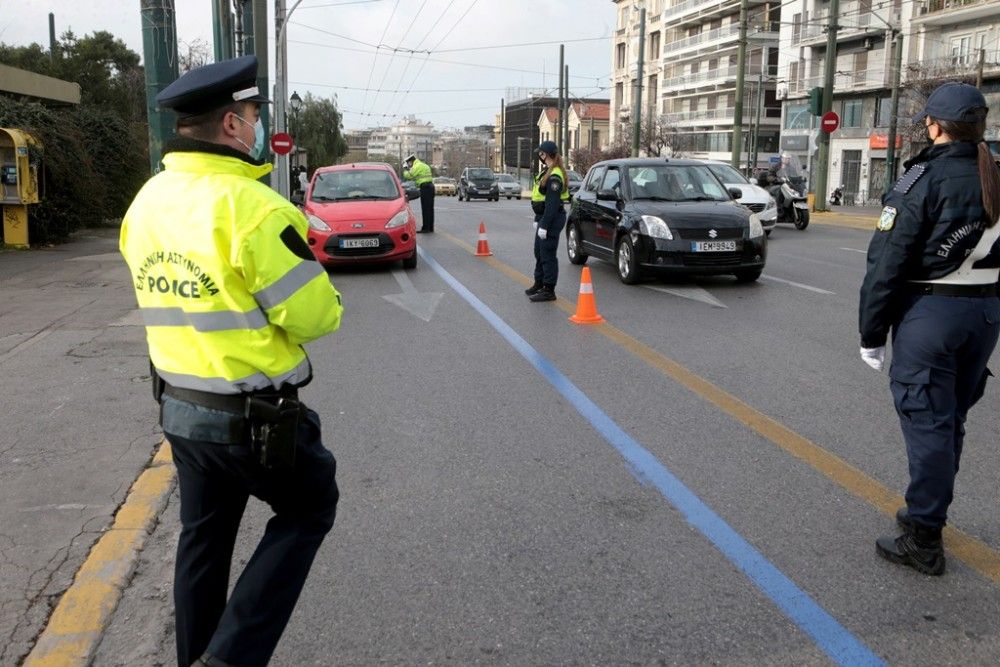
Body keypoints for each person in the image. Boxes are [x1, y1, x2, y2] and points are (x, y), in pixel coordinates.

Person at [119, 55, 344, 665]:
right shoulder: (256, 209)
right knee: (309, 506)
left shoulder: (147, 202)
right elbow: (316, 316)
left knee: (203, 541)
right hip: (255, 422)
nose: (254, 126)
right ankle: (228, 659)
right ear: (229, 126)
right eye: (250, 116)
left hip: (181, 413)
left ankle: (194, 655)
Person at [859, 81, 1000, 576]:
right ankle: (928, 511)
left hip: (932, 315)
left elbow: (887, 261)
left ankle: (924, 538)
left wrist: (871, 332)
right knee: (949, 420)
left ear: (934, 126)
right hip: (983, 315)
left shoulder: (922, 179)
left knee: (930, 425)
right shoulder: (994, 174)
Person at [525, 140, 569, 302]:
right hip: (544, 218)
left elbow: (552, 204)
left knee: (547, 253)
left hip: (552, 218)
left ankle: (549, 289)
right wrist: (538, 219)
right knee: (539, 252)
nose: (539, 156)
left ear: (545, 155)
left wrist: (544, 225)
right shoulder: (547, 171)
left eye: (540, 153)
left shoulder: (555, 176)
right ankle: (539, 283)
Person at [403, 153, 434, 233]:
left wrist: (406, 169)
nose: (409, 165)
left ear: (411, 161)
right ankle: (430, 227)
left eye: (409, 163)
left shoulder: (417, 166)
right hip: (431, 187)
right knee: (430, 209)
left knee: (425, 209)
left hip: (425, 187)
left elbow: (408, 176)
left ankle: (425, 228)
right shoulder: (424, 165)